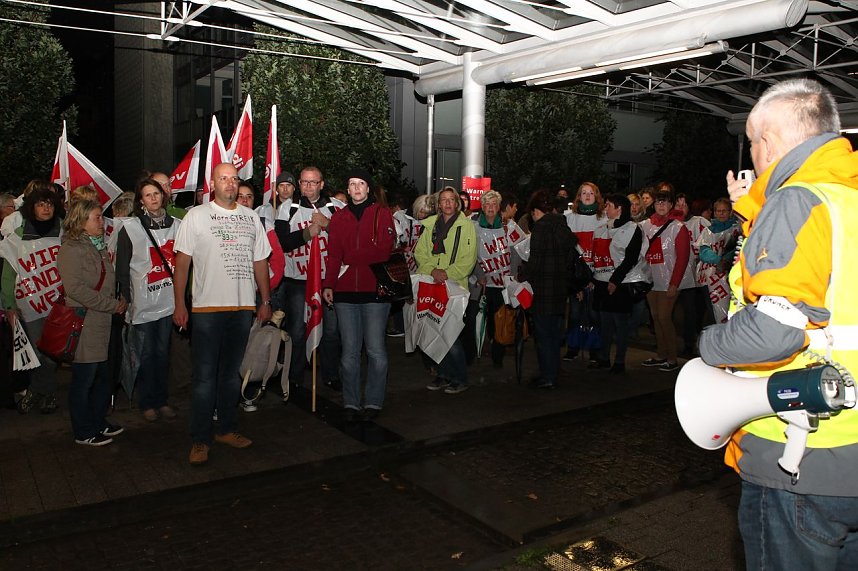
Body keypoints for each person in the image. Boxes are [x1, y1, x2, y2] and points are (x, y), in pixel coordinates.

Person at [701, 77, 858, 568]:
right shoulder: (843, 200)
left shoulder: (798, 201)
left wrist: (708, 345)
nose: (753, 155)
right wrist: (756, 211)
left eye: (751, 143)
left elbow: (776, 330)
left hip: (800, 452)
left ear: (767, 141)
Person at [173, 163, 272, 466]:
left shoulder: (251, 217)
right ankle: (200, 438)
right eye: (223, 179)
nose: (230, 184)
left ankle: (226, 429)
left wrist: (265, 299)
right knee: (204, 378)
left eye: (234, 179)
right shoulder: (196, 216)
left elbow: (260, 262)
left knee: (231, 375)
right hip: (206, 310)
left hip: (242, 308)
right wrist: (180, 304)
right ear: (213, 183)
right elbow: (182, 264)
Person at [322, 169, 395, 421]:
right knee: (349, 352)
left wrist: (349, 258)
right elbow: (333, 255)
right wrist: (328, 284)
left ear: (368, 188)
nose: (355, 188)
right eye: (351, 184)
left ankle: (374, 401)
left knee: (375, 350)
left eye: (360, 184)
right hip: (344, 294)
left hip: (375, 292)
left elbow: (383, 252)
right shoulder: (339, 217)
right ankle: (351, 402)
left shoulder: (382, 213)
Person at [57, 200, 127, 446]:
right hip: (85, 323)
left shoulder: (96, 245)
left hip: (101, 323)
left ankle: (97, 421)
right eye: (97, 217)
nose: (102, 222)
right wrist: (111, 305)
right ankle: (83, 430)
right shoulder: (71, 249)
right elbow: (75, 289)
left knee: (101, 378)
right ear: (81, 221)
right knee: (84, 380)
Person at [115, 177, 180, 422]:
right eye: (148, 195)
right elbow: (122, 268)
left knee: (162, 353)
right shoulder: (130, 228)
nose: (153, 198)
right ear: (140, 201)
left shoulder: (178, 225)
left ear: (163, 196)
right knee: (144, 353)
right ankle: (146, 403)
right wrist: (126, 298)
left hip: (168, 301)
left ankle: (161, 400)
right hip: (141, 302)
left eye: (156, 193)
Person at [274, 166, 344, 391]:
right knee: (296, 330)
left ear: (322, 184)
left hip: (329, 280)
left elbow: (351, 239)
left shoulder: (337, 207)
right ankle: (294, 377)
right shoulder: (288, 208)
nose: (308, 187)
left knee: (331, 331)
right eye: (304, 182)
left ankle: (331, 375)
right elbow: (281, 242)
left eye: (313, 182)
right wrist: (307, 233)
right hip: (298, 280)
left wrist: (329, 225)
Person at [1, 186, 66, 414]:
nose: (46, 208)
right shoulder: (18, 235)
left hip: (58, 305)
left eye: (49, 203)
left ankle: (37, 391)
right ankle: (45, 393)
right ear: (32, 208)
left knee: (54, 352)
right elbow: (8, 273)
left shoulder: (63, 232)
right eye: (41, 204)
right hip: (30, 305)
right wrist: (8, 305)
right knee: (38, 351)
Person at [414, 186, 477, 394]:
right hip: (432, 283)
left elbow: (468, 260)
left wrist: (446, 274)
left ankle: (459, 377)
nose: (448, 203)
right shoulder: (429, 224)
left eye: (452, 200)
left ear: (457, 203)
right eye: (444, 200)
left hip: (455, 287)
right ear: (438, 204)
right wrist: (432, 270)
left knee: (451, 334)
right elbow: (420, 253)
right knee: (434, 330)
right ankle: (443, 374)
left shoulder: (466, 226)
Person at [520, 190, 574, 389]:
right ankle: (553, 371)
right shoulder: (562, 225)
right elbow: (570, 257)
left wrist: (522, 277)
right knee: (554, 334)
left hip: (543, 289)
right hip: (560, 289)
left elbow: (535, 262)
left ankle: (548, 376)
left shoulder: (541, 229)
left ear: (535, 211)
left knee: (543, 336)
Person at [591, 194, 649, 374]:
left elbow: (631, 258)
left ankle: (619, 361)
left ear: (619, 209)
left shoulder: (634, 229)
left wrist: (615, 280)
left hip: (621, 284)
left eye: (609, 205)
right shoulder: (602, 228)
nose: (605, 208)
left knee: (620, 324)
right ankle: (604, 358)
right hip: (602, 282)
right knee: (605, 322)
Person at [639, 190, 691, 372]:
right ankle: (661, 354)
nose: (661, 206)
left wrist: (674, 284)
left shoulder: (678, 227)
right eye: (658, 202)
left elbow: (683, 258)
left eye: (665, 202)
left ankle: (672, 358)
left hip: (669, 280)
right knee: (656, 318)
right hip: (650, 279)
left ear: (671, 205)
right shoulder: (644, 225)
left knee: (664, 317)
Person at [563, 181, 607, 363]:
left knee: (594, 315)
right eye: (583, 193)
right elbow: (569, 251)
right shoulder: (569, 218)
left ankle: (595, 350)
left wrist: (594, 278)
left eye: (591, 193)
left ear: (596, 196)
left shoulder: (604, 219)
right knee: (574, 314)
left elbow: (604, 250)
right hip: (576, 276)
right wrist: (577, 282)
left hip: (597, 275)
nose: (587, 196)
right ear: (578, 197)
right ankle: (572, 348)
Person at [472, 190, 513, 367]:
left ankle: (498, 355)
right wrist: (479, 275)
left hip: (502, 284)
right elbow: (469, 254)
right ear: (482, 207)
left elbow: (518, 253)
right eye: (487, 204)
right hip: (481, 283)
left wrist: (514, 280)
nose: (490, 207)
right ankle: (477, 350)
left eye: (494, 204)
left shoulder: (509, 227)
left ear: (499, 207)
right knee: (480, 318)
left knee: (500, 320)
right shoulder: (472, 226)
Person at [673, 190, 711, 356]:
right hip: (671, 274)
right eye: (677, 204)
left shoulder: (699, 222)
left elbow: (713, 239)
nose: (681, 207)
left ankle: (690, 344)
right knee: (671, 312)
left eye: (684, 204)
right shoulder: (669, 223)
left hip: (693, 276)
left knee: (691, 310)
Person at [695, 198, 740, 324]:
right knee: (712, 312)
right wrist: (719, 260)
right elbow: (703, 252)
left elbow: (737, 248)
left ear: (730, 212)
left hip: (730, 276)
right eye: (718, 211)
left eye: (724, 211)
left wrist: (726, 261)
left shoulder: (737, 229)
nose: (721, 213)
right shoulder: (707, 231)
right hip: (709, 278)